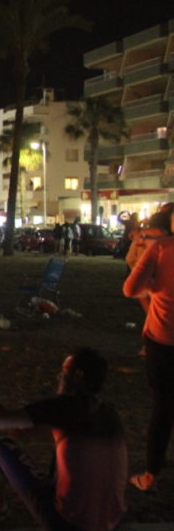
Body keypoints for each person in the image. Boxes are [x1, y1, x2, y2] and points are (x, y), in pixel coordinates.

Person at [0, 348, 127, 531]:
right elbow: (55, 431)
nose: (58, 377)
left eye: (63, 372)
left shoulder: (64, 406)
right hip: (112, 523)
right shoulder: (109, 413)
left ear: (78, 375)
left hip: (67, 524)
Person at [122, 209, 174, 492]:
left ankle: (151, 473)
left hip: (163, 339)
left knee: (163, 408)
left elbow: (130, 289)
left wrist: (157, 288)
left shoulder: (163, 249)